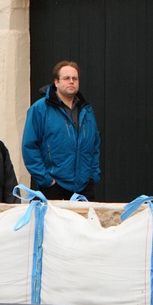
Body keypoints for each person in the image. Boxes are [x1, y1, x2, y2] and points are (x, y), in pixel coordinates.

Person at [22, 61, 101, 201]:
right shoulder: (40, 109)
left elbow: (94, 144)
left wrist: (92, 174)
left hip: (84, 188)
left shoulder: (86, 110)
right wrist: (46, 180)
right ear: (56, 82)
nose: (71, 82)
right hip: (54, 188)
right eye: (66, 78)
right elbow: (29, 147)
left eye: (75, 78)